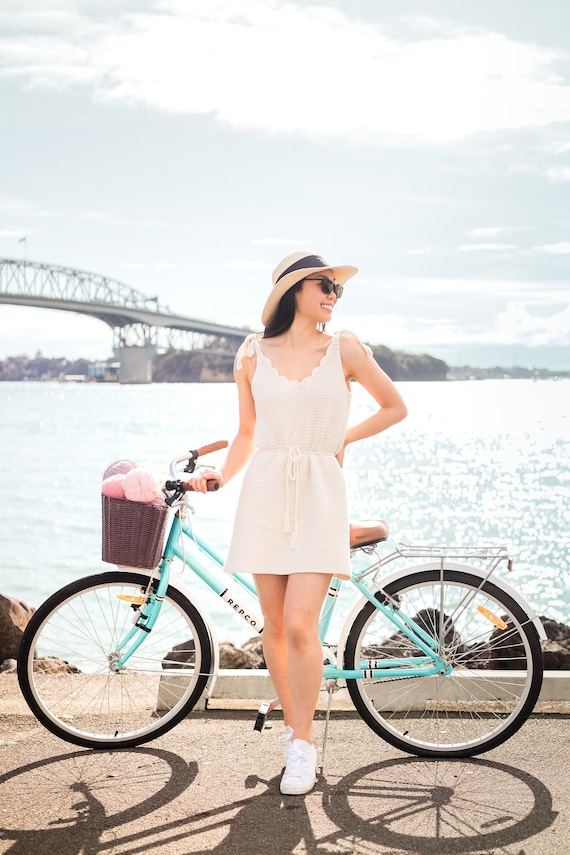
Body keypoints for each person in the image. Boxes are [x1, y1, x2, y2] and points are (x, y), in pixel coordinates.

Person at [188, 251, 407, 795]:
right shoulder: (251, 354)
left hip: (320, 490)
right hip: (263, 488)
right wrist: (221, 475)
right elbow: (246, 432)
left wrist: (342, 440)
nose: (333, 293)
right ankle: (293, 732)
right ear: (292, 291)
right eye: (323, 284)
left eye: (337, 287)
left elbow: (393, 406)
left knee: (302, 623)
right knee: (275, 626)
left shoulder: (346, 348)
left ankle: (303, 747)